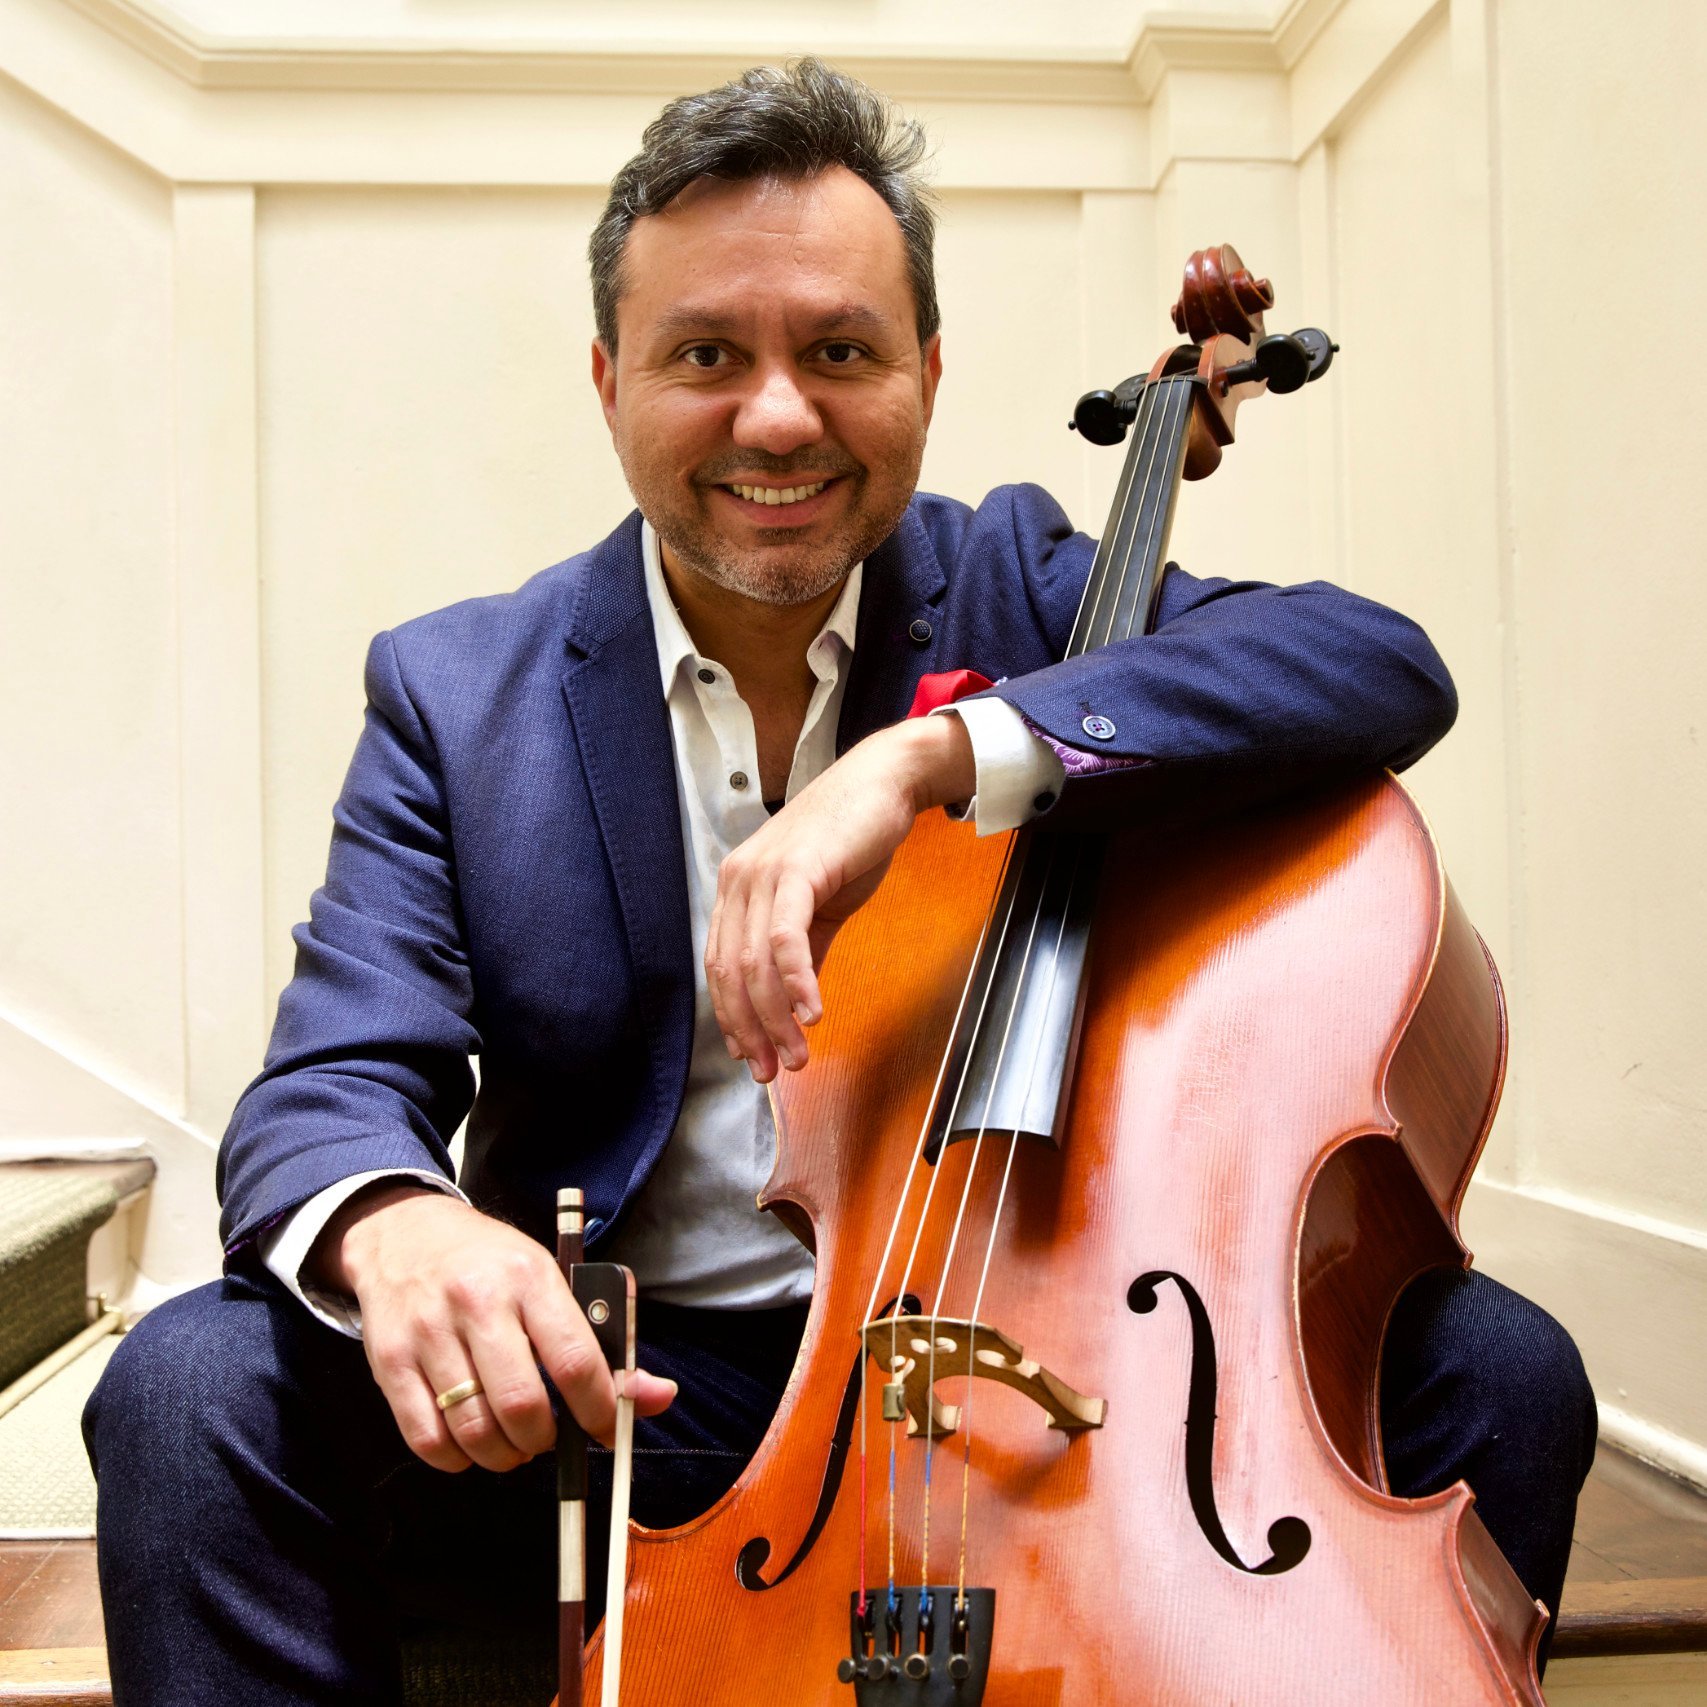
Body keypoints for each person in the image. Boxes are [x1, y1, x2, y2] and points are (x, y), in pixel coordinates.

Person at [85, 59, 1595, 1704]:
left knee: (1497, 1369)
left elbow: (1376, 665)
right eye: (707, 356)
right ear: (610, 381)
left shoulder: (1020, 582)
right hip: (630, 1389)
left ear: (927, 375)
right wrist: (398, 1228)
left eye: (841, 351)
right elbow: (324, 1083)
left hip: (1026, 1361)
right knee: (190, 1388)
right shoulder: (462, 693)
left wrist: (934, 760)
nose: (780, 415)